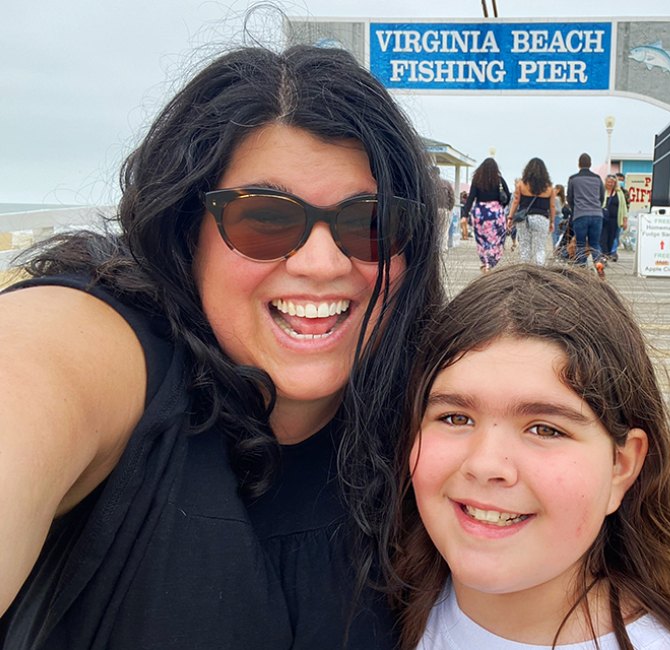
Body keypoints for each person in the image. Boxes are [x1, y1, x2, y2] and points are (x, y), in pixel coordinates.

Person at [0, 44, 444, 649]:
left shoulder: (432, 422)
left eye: (369, 222)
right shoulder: (108, 349)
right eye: (264, 218)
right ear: (190, 233)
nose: (320, 264)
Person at [392, 265, 670, 650]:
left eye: (545, 429)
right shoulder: (374, 607)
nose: (486, 464)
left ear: (621, 467)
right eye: (455, 418)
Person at [463, 158, 511, 272]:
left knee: (482, 240)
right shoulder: (499, 180)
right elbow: (508, 197)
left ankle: (485, 262)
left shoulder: (477, 180)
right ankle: (492, 262)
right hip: (496, 214)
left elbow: (470, 198)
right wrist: (500, 207)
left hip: (480, 214)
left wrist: (464, 215)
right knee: (497, 239)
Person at [506, 158, 555, 266]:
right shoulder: (549, 188)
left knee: (524, 247)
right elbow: (552, 206)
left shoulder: (521, 184)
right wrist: (552, 221)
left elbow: (515, 202)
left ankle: (525, 271)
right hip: (542, 218)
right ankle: (539, 271)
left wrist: (510, 217)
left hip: (524, 218)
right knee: (540, 248)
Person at [567, 153, 605, 277]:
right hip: (597, 215)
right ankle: (598, 264)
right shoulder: (597, 179)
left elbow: (570, 198)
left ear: (579, 164)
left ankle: (582, 271)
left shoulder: (573, 179)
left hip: (580, 215)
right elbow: (601, 197)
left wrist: (575, 209)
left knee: (581, 244)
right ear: (590, 164)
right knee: (595, 243)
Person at [601, 174, 628, 262]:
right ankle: (604, 255)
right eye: (608, 182)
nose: (610, 184)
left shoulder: (619, 193)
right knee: (603, 238)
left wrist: (625, 221)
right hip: (603, 220)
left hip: (615, 220)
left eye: (612, 182)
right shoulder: (602, 191)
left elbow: (624, 207)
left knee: (612, 238)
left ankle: (608, 253)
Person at [551, 183, 568, 248]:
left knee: (554, 234)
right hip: (561, 217)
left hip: (556, 217)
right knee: (559, 234)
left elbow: (557, 209)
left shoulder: (556, 199)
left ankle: (555, 249)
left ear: (558, 190)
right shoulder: (562, 199)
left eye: (555, 188)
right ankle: (559, 249)